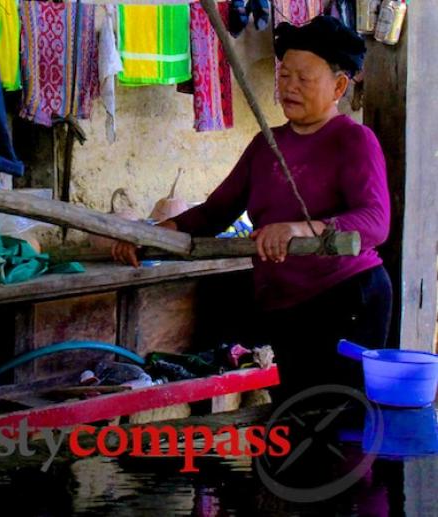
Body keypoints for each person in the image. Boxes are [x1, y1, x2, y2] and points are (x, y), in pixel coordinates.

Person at [113, 16, 391, 398]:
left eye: (304, 78)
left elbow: (375, 222)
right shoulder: (266, 145)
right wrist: (154, 237)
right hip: (286, 305)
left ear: (339, 86)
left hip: (346, 300)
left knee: (335, 418)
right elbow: (214, 212)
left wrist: (299, 228)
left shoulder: (354, 141)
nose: (289, 86)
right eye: (284, 75)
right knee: (296, 415)